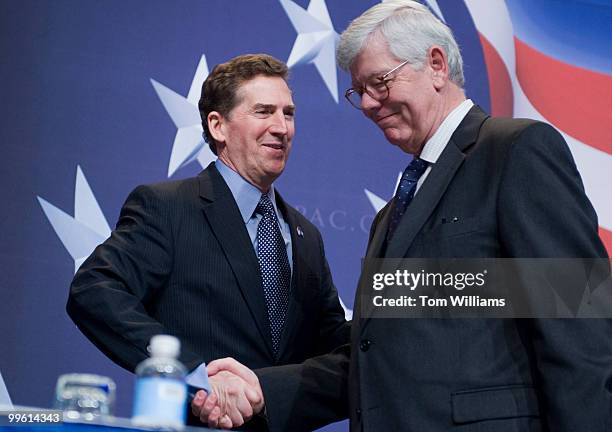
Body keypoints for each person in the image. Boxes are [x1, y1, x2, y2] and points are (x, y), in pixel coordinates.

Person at [193, 2, 612, 431]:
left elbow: (580, 319)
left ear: (435, 64)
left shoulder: (513, 152)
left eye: (380, 82)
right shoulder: (394, 212)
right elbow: (375, 354)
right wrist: (264, 390)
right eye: (361, 92)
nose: (371, 104)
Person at [67, 53, 349, 430]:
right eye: (264, 111)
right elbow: (95, 289)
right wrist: (194, 376)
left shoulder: (306, 237)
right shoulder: (168, 208)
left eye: (289, 113)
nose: (282, 127)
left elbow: (336, 350)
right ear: (217, 125)